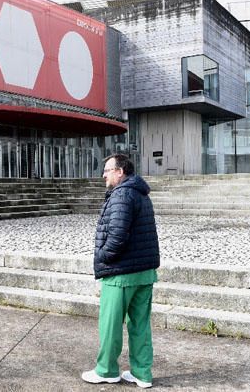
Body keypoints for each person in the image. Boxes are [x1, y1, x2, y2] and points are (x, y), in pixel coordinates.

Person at [81, 154, 160, 389]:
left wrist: (101, 257)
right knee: (140, 326)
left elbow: (116, 236)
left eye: (107, 170)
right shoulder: (140, 193)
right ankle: (142, 374)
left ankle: (106, 370)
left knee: (110, 325)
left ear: (121, 171)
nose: (103, 175)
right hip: (144, 272)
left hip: (121, 273)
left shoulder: (122, 194)